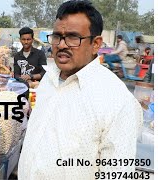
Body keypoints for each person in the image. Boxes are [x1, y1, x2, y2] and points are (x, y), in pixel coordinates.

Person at [18, 1, 142, 179]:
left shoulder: (116, 100)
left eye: (73, 37)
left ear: (96, 44)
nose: (61, 45)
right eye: (57, 37)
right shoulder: (49, 77)